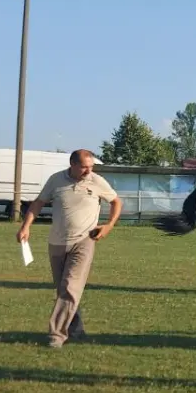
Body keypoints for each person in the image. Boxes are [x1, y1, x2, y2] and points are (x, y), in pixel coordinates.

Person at [17, 149, 122, 348]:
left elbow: (116, 202)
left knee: (70, 286)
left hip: (85, 240)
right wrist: (26, 226)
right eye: (84, 167)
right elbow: (38, 203)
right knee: (63, 289)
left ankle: (56, 335)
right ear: (72, 164)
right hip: (56, 242)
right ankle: (76, 330)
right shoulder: (56, 180)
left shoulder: (97, 181)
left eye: (91, 167)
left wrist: (109, 225)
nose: (88, 171)